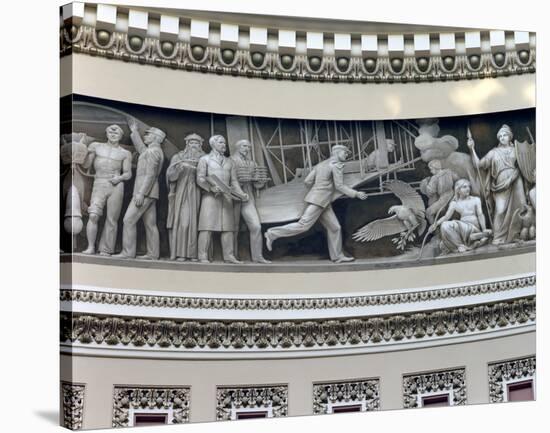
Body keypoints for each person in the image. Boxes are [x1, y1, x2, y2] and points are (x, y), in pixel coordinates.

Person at [265, 145, 368, 263]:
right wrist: (355, 193)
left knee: (335, 228)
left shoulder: (320, 165)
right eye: (345, 153)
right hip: (320, 201)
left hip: (322, 201)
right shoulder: (336, 166)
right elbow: (339, 186)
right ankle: (272, 233)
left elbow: (307, 181)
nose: (346, 155)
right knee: (303, 225)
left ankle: (337, 256)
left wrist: (318, 190)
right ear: (337, 152)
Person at [114, 119, 165, 260]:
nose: (145, 137)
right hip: (151, 193)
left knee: (128, 220)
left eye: (148, 135)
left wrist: (141, 193)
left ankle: (128, 252)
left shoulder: (153, 152)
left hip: (145, 192)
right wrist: (134, 131)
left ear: (156, 138)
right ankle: (153, 254)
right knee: (150, 224)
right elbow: (141, 149)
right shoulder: (152, 151)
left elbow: (150, 175)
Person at [467, 124, 526, 244]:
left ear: (510, 137)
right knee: (500, 210)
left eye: (505, 135)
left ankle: (516, 235)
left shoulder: (517, 149)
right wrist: (471, 149)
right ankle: (498, 237)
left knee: (520, 206)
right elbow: (478, 165)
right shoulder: (493, 152)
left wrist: (515, 175)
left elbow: (523, 165)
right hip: (501, 181)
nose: (502, 138)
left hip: (516, 180)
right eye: (500, 136)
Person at [196, 135, 248, 263]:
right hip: (210, 198)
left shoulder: (230, 162)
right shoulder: (205, 159)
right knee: (206, 227)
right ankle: (202, 256)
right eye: (221, 143)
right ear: (213, 144)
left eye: (224, 143)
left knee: (228, 229)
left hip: (227, 198)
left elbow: (234, 181)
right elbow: (200, 178)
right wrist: (211, 188)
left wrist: (242, 194)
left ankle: (229, 256)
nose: (224, 145)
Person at [82, 124, 132, 255]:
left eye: (117, 133)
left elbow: (128, 173)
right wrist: (88, 152)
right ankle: (91, 247)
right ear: (106, 133)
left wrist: (119, 178)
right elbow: (86, 165)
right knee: (93, 215)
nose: (113, 134)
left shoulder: (125, 153)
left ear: (121, 136)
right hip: (99, 182)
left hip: (116, 185)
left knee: (112, 219)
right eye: (111, 132)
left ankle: (106, 249)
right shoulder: (97, 147)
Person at [165, 133, 205, 261]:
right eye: (191, 143)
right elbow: (170, 176)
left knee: (199, 223)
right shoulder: (178, 157)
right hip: (182, 193)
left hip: (200, 193)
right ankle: (181, 253)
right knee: (184, 222)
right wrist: (178, 169)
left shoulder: (205, 158)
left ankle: (195, 254)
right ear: (187, 144)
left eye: (197, 143)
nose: (194, 145)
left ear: (200, 145)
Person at [231, 139, 271, 264]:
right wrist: (239, 191)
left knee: (256, 227)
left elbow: (257, 185)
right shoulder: (230, 160)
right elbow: (229, 180)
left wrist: (260, 181)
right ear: (237, 147)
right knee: (233, 229)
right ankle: (231, 256)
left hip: (248, 198)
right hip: (233, 198)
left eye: (249, 147)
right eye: (244, 146)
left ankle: (257, 256)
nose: (247, 149)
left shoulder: (252, 163)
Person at [428, 179, 492, 254]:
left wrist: (484, 229)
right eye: (464, 187)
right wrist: (435, 224)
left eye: (468, 186)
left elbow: (480, 215)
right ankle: (460, 245)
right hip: (462, 230)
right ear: (458, 190)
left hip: (473, 228)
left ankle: (460, 245)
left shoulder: (476, 200)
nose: (468, 188)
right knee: (444, 225)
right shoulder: (454, 203)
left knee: (448, 225)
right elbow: (446, 217)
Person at [420, 159, 459, 223]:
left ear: (435, 168)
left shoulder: (435, 178)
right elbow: (458, 180)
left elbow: (430, 192)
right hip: (452, 194)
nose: (430, 171)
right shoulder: (449, 172)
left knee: (428, 212)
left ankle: (435, 230)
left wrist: (425, 184)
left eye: (431, 169)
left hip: (443, 199)